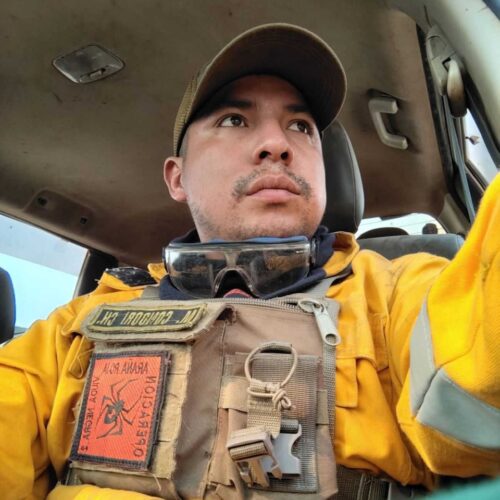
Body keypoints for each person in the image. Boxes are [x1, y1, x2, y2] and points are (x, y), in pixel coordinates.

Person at [0, 23, 499, 500]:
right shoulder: (77, 327)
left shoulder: (394, 295)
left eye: (301, 126)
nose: (278, 145)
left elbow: (479, 350)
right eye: (234, 120)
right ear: (177, 178)